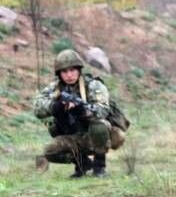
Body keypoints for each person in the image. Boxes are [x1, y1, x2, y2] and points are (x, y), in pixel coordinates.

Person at [33, 49, 126, 177]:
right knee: (49, 151)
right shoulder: (55, 88)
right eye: (64, 71)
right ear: (59, 74)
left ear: (79, 70)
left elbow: (103, 110)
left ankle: (99, 167)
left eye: (72, 70)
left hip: (95, 136)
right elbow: (37, 108)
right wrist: (56, 107)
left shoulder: (93, 85)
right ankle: (82, 164)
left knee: (99, 125)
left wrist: (82, 111)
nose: (69, 75)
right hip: (73, 137)